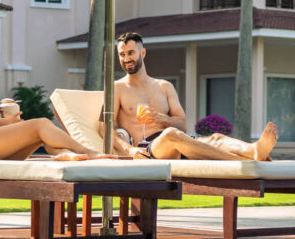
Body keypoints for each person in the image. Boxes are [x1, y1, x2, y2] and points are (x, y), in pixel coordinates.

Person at [0, 31, 114, 161]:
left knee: (40, 134)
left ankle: (65, 154)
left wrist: (8, 120)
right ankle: (89, 152)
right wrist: (10, 122)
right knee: (41, 124)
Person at [108, 32, 279, 160]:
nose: (126, 58)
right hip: (148, 149)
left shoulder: (164, 86)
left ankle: (254, 150)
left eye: (130, 53)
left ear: (143, 53)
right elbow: (105, 128)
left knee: (216, 138)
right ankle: (239, 162)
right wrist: (129, 149)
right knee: (170, 134)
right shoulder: (117, 88)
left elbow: (182, 124)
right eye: (122, 55)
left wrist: (162, 119)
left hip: (181, 141)